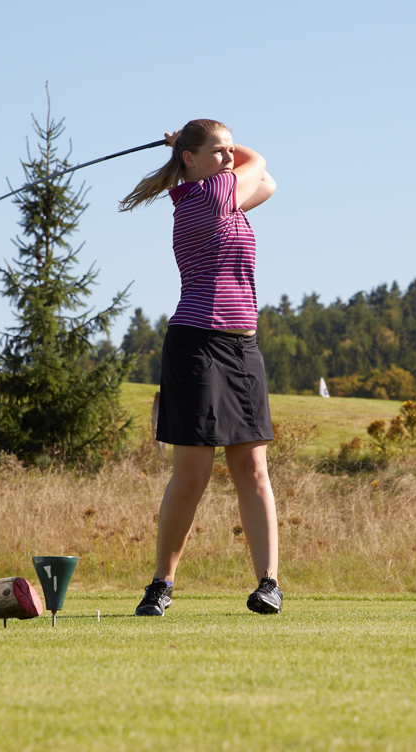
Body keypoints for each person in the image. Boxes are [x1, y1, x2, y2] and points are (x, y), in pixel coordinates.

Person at [119, 119, 280, 616]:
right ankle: (161, 584)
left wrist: (202, 145)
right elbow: (261, 164)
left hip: (242, 345)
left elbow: (268, 183)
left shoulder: (224, 195)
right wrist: (191, 146)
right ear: (189, 160)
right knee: (192, 474)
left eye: (230, 150)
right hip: (197, 343)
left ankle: (269, 584)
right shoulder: (208, 197)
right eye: (218, 151)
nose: (229, 158)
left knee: (252, 467)